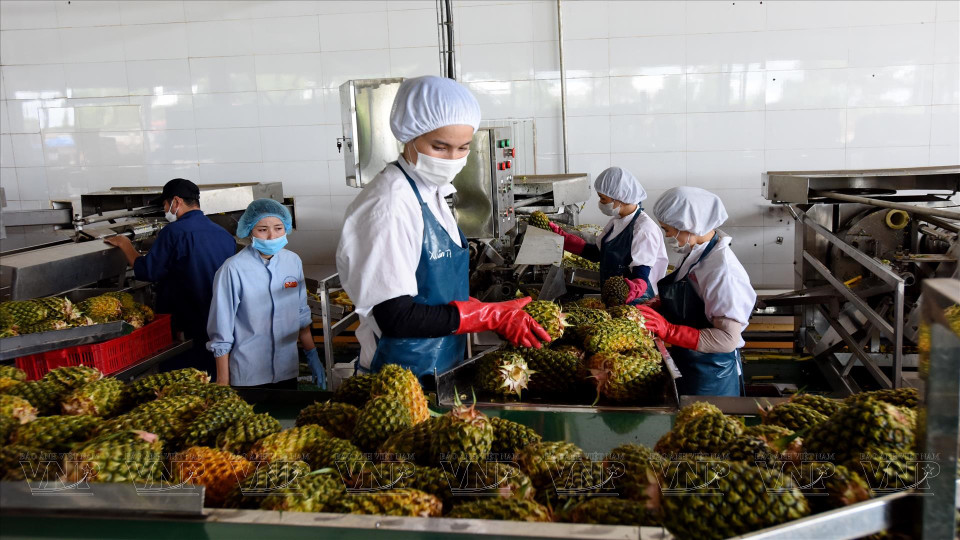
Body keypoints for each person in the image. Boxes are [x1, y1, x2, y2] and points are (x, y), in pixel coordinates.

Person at [336, 75, 550, 384]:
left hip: (440, 367)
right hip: (400, 380)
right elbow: (396, 317)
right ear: (410, 136)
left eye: (462, 147)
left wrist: (485, 311)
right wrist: (485, 316)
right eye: (440, 147)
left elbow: (434, 297)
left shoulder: (432, 194)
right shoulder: (389, 205)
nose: (452, 159)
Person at [104, 178, 235, 377]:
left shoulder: (173, 232)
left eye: (165, 204)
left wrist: (125, 244)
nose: (165, 209)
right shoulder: (223, 234)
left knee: (183, 382)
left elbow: (147, 271)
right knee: (210, 379)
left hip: (185, 324)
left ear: (176, 201)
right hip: (219, 322)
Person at [635, 186, 756, 396]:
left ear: (688, 226)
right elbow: (694, 295)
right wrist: (662, 302)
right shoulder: (697, 252)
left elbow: (727, 339)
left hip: (712, 375)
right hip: (689, 361)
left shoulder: (722, 270)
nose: (668, 235)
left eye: (668, 229)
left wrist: (669, 330)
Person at [206, 199, 324, 388]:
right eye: (262, 229)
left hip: (287, 369)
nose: (271, 236)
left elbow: (301, 314)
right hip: (248, 374)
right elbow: (222, 329)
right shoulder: (233, 269)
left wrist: (312, 355)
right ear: (249, 230)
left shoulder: (293, 262)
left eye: (278, 228)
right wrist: (223, 382)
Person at [548, 166, 668, 303]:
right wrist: (562, 238)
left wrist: (634, 289)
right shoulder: (616, 222)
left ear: (621, 198)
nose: (600, 203)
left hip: (638, 301)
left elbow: (641, 271)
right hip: (614, 297)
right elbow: (596, 253)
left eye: (603, 199)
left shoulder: (643, 229)